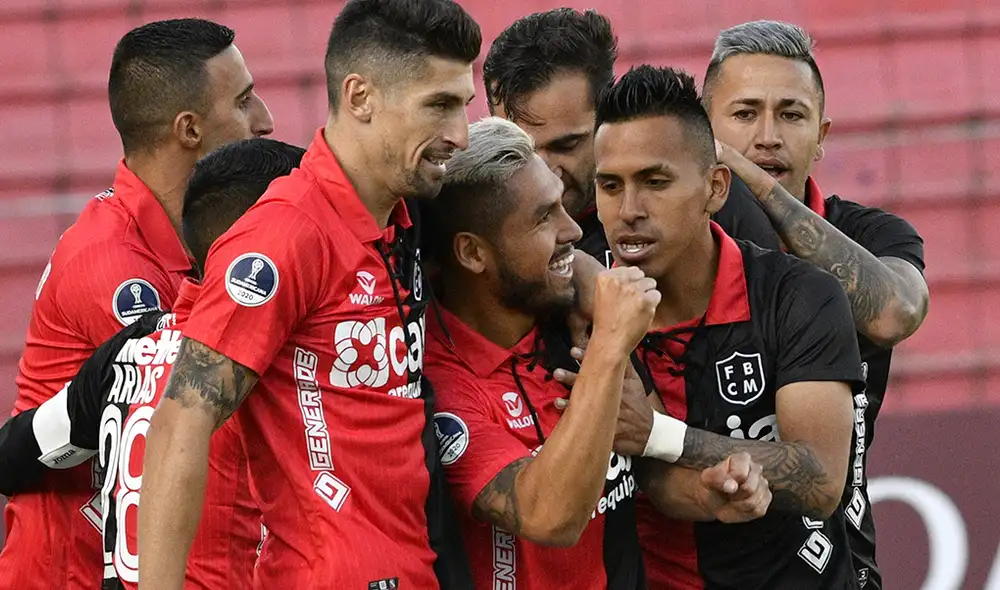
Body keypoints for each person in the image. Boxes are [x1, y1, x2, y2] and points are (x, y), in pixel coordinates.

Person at [138, 1, 480, 588]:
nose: (459, 134)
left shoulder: (401, 215)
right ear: (360, 97)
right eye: (439, 106)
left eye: (463, 106)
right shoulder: (285, 234)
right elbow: (180, 421)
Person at [421, 117, 771, 589]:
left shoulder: (572, 320)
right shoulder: (440, 386)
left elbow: (645, 465)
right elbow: (549, 518)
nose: (571, 230)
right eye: (544, 217)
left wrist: (708, 496)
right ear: (472, 253)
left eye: (563, 207)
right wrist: (609, 343)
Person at [1, 19, 273, 590]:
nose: (265, 121)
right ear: (189, 129)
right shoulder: (113, 265)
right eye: (245, 101)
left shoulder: (190, 238)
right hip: (68, 573)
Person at [591, 65, 865, 589]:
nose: (628, 210)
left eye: (654, 182)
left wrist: (660, 434)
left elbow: (821, 478)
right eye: (610, 185)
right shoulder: (589, 305)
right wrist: (700, 486)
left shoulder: (799, 295)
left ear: (716, 188)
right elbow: (651, 477)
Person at [704, 20, 930, 589]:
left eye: (792, 114)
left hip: (843, 565)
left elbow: (895, 312)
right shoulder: (683, 245)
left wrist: (755, 184)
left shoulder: (872, 235)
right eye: (745, 113)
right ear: (704, 126)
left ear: (822, 132)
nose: (768, 135)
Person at [482, 8, 779, 268]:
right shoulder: (472, 217)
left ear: (606, 121)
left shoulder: (704, 197)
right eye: (521, 149)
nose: (546, 171)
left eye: (566, 145)